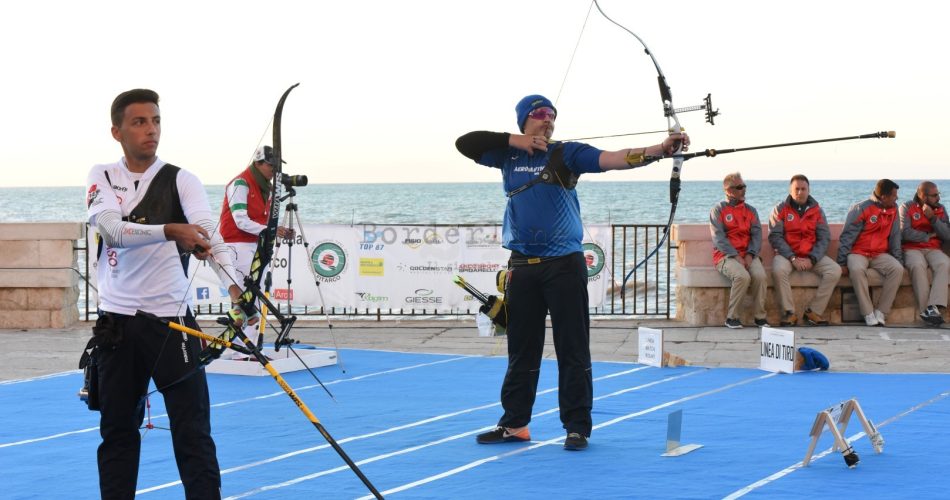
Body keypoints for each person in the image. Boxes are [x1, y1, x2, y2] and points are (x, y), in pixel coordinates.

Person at [455, 94, 688, 451]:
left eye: (552, 115)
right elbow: (465, 143)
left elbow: (612, 159)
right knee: (521, 350)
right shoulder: (507, 155)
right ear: (524, 120)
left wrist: (659, 149)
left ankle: (577, 427)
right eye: (540, 114)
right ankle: (515, 424)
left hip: (564, 265)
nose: (548, 120)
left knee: (573, 348)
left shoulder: (565, 153)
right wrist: (514, 141)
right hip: (522, 266)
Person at [86, 89, 247, 499]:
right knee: (118, 432)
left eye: (156, 121)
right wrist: (170, 230)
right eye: (139, 122)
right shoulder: (102, 176)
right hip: (117, 326)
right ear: (117, 131)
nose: (151, 130)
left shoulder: (182, 180)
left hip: (172, 323)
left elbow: (209, 238)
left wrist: (235, 288)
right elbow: (112, 230)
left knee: (193, 433)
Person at [767, 174, 842, 326]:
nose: (800, 192)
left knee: (834, 270)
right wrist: (792, 258)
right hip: (787, 255)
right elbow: (775, 236)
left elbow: (824, 237)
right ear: (790, 190)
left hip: (811, 255)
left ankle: (813, 312)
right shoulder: (780, 209)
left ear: (808, 190)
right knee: (778, 270)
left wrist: (812, 258)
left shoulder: (817, 211)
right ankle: (789, 313)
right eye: (797, 189)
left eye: (803, 189)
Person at [219, 145, 294, 285]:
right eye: (271, 164)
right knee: (245, 296)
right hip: (237, 244)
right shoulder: (240, 183)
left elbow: (261, 221)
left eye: (277, 165)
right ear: (258, 163)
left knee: (257, 295)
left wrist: (278, 231)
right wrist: (270, 230)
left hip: (256, 244)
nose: (275, 169)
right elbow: (241, 221)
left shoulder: (267, 188)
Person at [837, 179, 904, 326]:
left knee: (897, 269)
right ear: (883, 197)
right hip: (858, 252)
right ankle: (867, 313)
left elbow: (895, 237)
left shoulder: (893, 209)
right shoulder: (860, 209)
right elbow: (847, 237)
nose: (896, 198)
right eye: (894, 195)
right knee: (856, 269)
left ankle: (881, 312)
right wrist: (842, 262)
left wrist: (898, 259)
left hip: (879, 253)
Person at [710, 172, 769, 329]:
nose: (744, 190)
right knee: (742, 276)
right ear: (728, 191)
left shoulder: (751, 211)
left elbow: (757, 235)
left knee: (761, 276)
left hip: (748, 254)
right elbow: (719, 238)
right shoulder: (718, 210)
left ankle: (760, 317)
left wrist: (750, 255)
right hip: (725, 256)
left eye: (744, 186)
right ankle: (732, 318)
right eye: (739, 187)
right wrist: (736, 256)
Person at [899, 181, 949, 325]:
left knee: (944, 263)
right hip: (912, 248)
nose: (938, 198)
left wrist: (933, 218)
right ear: (922, 196)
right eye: (934, 195)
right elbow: (905, 233)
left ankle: (932, 308)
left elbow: (947, 234)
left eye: (938, 194)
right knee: (917, 265)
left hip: (933, 248)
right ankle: (926, 310)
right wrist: (928, 236)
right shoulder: (907, 207)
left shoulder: (940, 209)